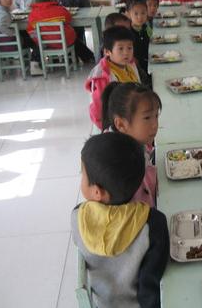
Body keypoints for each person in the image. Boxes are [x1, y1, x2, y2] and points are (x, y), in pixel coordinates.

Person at [72, 132, 169, 308]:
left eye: (82, 174)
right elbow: (151, 286)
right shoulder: (154, 223)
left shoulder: (78, 216)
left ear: (97, 192)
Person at [102, 82, 161, 207]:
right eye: (147, 118)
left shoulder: (135, 141)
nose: (155, 124)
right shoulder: (118, 163)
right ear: (121, 124)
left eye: (156, 116)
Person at [85, 26, 140, 129]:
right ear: (107, 52)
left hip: (131, 111)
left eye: (129, 48)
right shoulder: (103, 77)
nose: (126, 52)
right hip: (114, 123)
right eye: (120, 48)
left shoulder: (129, 64)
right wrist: (108, 128)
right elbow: (99, 108)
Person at [27, 0, 94, 67]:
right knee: (74, 40)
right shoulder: (59, 9)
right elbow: (68, 18)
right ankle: (89, 58)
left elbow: (31, 30)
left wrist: (39, 42)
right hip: (64, 40)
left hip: (45, 43)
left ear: (36, 0)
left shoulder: (32, 14)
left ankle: (52, 62)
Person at [126, 0, 150, 85]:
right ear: (128, 14)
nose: (140, 17)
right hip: (135, 66)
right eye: (136, 14)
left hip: (147, 61)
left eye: (143, 13)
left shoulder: (145, 27)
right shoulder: (128, 32)